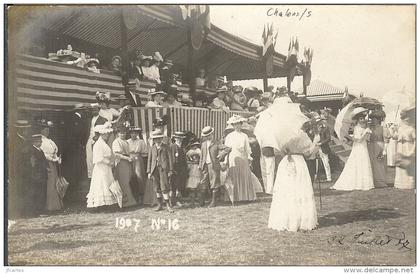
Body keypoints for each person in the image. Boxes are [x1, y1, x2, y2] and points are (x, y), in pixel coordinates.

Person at [268, 129, 319, 232]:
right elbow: (308, 154)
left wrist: (288, 152)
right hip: (299, 162)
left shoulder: (282, 134)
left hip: (286, 162)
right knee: (299, 189)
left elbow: (278, 152)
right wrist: (315, 143)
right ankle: (301, 220)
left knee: (287, 190)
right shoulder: (302, 135)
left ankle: (285, 219)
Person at [331, 107, 374, 191]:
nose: (362, 120)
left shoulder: (364, 127)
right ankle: (357, 183)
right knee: (357, 163)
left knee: (364, 163)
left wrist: (368, 133)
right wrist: (365, 132)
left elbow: (367, 139)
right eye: (360, 119)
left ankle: (364, 183)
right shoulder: (357, 128)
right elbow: (358, 140)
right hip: (358, 148)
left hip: (364, 147)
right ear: (357, 120)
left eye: (363, 118)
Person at [223, 115, 261, 203]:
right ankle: (234, 197)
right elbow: (226, 149)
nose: (237, 126)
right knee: (233, 175)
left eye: (239, 124)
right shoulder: (229, 136)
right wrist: (225, 160)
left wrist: (249, 157)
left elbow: (247, 148)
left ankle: (245, 196)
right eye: (235, 124)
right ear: (233, 125)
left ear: (241, 124)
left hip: (242, 156)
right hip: (233, 156)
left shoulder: (244, 136)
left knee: (244, 175)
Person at [86, 123, 118, 209]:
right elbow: (98, 158)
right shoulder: (98, 144)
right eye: (106, 134)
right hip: (101, 167)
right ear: (102, 134)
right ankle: (100, 204)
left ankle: (106, 203)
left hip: (106, 167)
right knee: (102, 184)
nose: (107, 135)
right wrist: (109, 163)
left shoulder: (103, 143)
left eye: (107, 134)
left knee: (106, 183)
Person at [199, 126, 232, 207]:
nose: (207, 137)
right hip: (205, 165)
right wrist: (200, 165)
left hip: (214, 165)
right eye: (205, 136)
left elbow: (228, 148)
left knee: (214, 182)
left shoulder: (217, 143)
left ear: (212, 134)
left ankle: (213, 202)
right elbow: (202, 155)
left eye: (208, 136)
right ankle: (202, 201)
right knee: (203, 182)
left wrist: (221, 155)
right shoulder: (203, 144)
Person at [38, 119, 63, 211]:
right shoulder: (41, 140)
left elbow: (54, 151)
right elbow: (43, 154)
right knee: (51, 184)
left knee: (55, 183)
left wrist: (57, 158)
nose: (47, 131)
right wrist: (53, 159)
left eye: (48, 130)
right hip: (48, 163)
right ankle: (50, 206)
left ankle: (56, 205)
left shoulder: (49, 140)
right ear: (41, 130)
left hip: (54, 163)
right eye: (45, 130)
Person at [147, 129, 174, 212]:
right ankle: (160, 204)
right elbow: (149, 159)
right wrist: (149, 171)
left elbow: (170, 159)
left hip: (163, 169)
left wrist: (170, 170)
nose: (157, 140)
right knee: (157, 187)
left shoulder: (166, 147)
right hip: (154, 169)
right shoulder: (152, 148)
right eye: (155, 139)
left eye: (158, 138)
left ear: (161, 139)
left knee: (164, 186)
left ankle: (168, 205)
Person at [112, 127, 137, 208]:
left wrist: (131, 157)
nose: (122, 134)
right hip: (121, 163)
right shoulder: (116, 141)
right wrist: (127, 158)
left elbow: (129, 152)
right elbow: (117, 154)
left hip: (127, 163)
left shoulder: (125, 141)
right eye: (120, 133)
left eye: (124, 133)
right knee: (123, 182)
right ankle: (125, 202)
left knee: (127, 181)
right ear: (117, 133)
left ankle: (128, 201)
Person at [394, 106, 415, 189]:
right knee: (400, 162)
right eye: (404, 119)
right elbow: (395, 137)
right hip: (400, 147)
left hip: (408, 147)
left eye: (407, 118)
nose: (405, 120)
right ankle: (400, 183)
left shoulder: (412, 129)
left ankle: (409, 183)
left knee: (408, 163)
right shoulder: (400, 128)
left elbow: (415, 140)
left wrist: (413, 150)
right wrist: (393, 130)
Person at [367, 110, 388, 188]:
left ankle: (381, 181)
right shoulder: (370, 128)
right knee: (372, 163)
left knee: (379, 163)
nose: (373, 120)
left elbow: (386, 141)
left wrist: (384, 150)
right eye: (372, 118)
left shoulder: (383, 128)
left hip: (379, 146)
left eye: (375, 118)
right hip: (371, 146)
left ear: (379, 119)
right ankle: (373, 181)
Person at [127, 127, 148, 203]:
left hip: (138, 159)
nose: (134, 135)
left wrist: (139, 156)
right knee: (130, 176)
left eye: (135, 133)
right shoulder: (127, 142)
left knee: (139, 176)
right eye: (132, 133)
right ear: (130, 134)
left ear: (137, 134)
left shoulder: (141, 142)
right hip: (129, 159)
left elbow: (145, 152)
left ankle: (142, 196)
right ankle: (132, 196)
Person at [29, 133, 48, 216]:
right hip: (37, 175)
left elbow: (44, 161)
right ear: (34, 142)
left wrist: (46, 168)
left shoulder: (40, 150)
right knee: (37, 193)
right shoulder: (33, 151)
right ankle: (36, 211)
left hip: (42, 174)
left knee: (42, 192)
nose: (40, 143)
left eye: (40, 141)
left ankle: (41, 210)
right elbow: (34, 163)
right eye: (38, 142)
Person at [170, 131, 188, 207]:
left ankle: (177, 200)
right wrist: (171, 169)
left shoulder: (182, 147)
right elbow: (171, 159)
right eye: (178, 138)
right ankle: (172, 201)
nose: (179, 140)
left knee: (179, 185)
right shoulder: (172, 146)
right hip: (174, 169)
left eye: (181, 138)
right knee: (173, 185)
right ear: (175, 138)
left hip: (181, 169)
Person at [86, 104, 102, 179]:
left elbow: (104, 132)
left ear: (99, 110)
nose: (94, 111)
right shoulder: (89, 119)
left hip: (97, 141)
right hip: (89, 140)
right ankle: (91, 176)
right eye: (93, 110)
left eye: (95, 110)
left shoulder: (103, 119)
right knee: (89, 158)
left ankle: (97, 176)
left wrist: (97, 137)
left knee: (97, 158)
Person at [185, 139, 202, 206]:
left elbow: (201, 157)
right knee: (192, 186)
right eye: (194, 145)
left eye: (196, 145)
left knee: (198, 186)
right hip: (192, 168)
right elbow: (187, 158)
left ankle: (199, 202)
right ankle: (192, 202)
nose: (195, 147)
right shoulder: (189, 152)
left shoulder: (199, 151)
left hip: (198, 168)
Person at [317, 116, 332, 182]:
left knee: (326, 163)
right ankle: (315, 177)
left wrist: (321, 143)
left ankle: (329, 177)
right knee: (316, 163)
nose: (318, 122)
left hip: (323, 147)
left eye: (319, 121)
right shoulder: (314, 129)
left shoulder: (325, 128)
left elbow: (328, 138)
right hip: (316, 148)